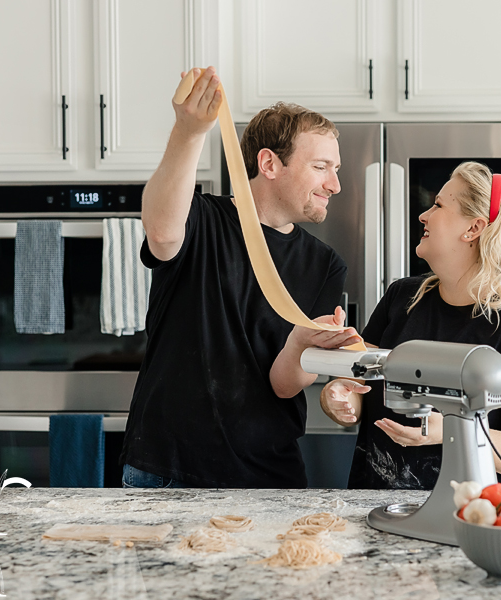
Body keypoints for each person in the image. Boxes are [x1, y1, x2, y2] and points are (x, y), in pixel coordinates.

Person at [120, 67, 361, 489]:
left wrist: (301, 346)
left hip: (270, 476)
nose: (335, 184)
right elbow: (160, 232)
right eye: (322, 166)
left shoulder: (325, 263)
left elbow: (285, 386)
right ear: (269, 163)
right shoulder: (202, 221)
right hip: (168, 471)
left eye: (335, 169)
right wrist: (188, 132)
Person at [320, 161, 501, 489]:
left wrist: (449, 430)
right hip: (376, 508)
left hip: (469, 520)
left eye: (437, 205)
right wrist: (338, 397)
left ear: (473, 229)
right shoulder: (401, 298)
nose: (423, 215)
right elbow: (358, 388)